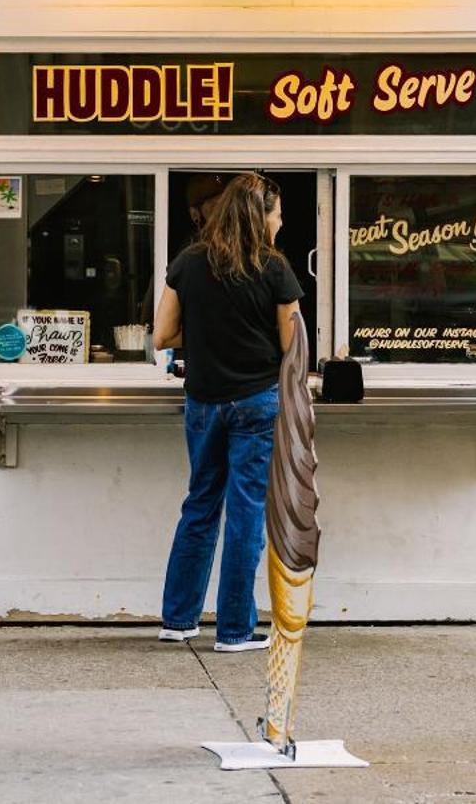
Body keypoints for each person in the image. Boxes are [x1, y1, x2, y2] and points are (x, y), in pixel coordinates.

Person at [153, 173, 301, 653]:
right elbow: (291, 344)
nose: (281, 221)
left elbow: (162, 335)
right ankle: (235, 630)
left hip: (203, 401)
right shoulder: (274, 267)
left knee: (199, 504)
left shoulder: (189, 263)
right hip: (256, 401)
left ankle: (178, 620)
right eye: (277, 213)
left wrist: (206, 334)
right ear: (260, 216)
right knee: (245, 512)